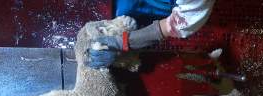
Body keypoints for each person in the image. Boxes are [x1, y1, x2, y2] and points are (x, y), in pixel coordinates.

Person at [88, 0, 216, 68]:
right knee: (122, 10)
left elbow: (177, 24)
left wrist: (122, 42)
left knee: (126, 20)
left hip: (164, 5)